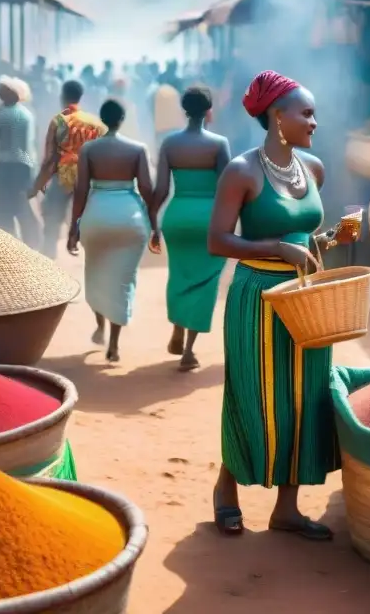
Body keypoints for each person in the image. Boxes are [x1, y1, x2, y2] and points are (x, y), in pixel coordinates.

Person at [207, 70, 348, 541]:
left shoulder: (315, 168)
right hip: (258, 298)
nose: (314, 121)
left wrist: (331, 239)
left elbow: (306, 239)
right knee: (251, 394)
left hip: (307, 298)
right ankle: (227, 490)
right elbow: (218, 240)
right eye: (306, 113)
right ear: (276, 116)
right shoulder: (242, 171)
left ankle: (286, 509)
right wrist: (277, 250)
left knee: (305, 399)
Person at [68, 99, 156, 362]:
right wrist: (155, 223)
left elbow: (81, 190)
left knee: (95, 274)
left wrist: (74, 227)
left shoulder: (89, 150)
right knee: (122, 280)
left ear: (102, 119)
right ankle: (114, 344)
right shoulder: (138, 149)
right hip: (129, 217)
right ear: (122, 118)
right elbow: (148, 189)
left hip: (97, 215)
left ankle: (100, 325)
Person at [150, 85, 230, 371]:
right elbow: (227, 188)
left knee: (179, 275)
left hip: (177, 215)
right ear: (209, 111)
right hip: (208, 218)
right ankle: (188, 351)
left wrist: (153, 223)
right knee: (205, 280)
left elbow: (160, 190)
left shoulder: (169, 144)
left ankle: (177, 326)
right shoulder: (219, 144)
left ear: (184, 110)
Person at [30, 81, 107, 258]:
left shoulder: (58, 121)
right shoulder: (95, 123)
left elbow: (50, 159)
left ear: (63, 96)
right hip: (87, 179)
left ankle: (49, 258)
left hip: (63, 177)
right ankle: (96, 257)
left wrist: (37, 186)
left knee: (52, 217)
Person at [0, 76, 39, 246]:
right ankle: (33, 244)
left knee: (0, 208)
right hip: (24, 166)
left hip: (3, 166)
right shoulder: (27, 114)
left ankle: (4, 245)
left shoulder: (2, 113)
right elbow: (29, 144)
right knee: (22, 207)